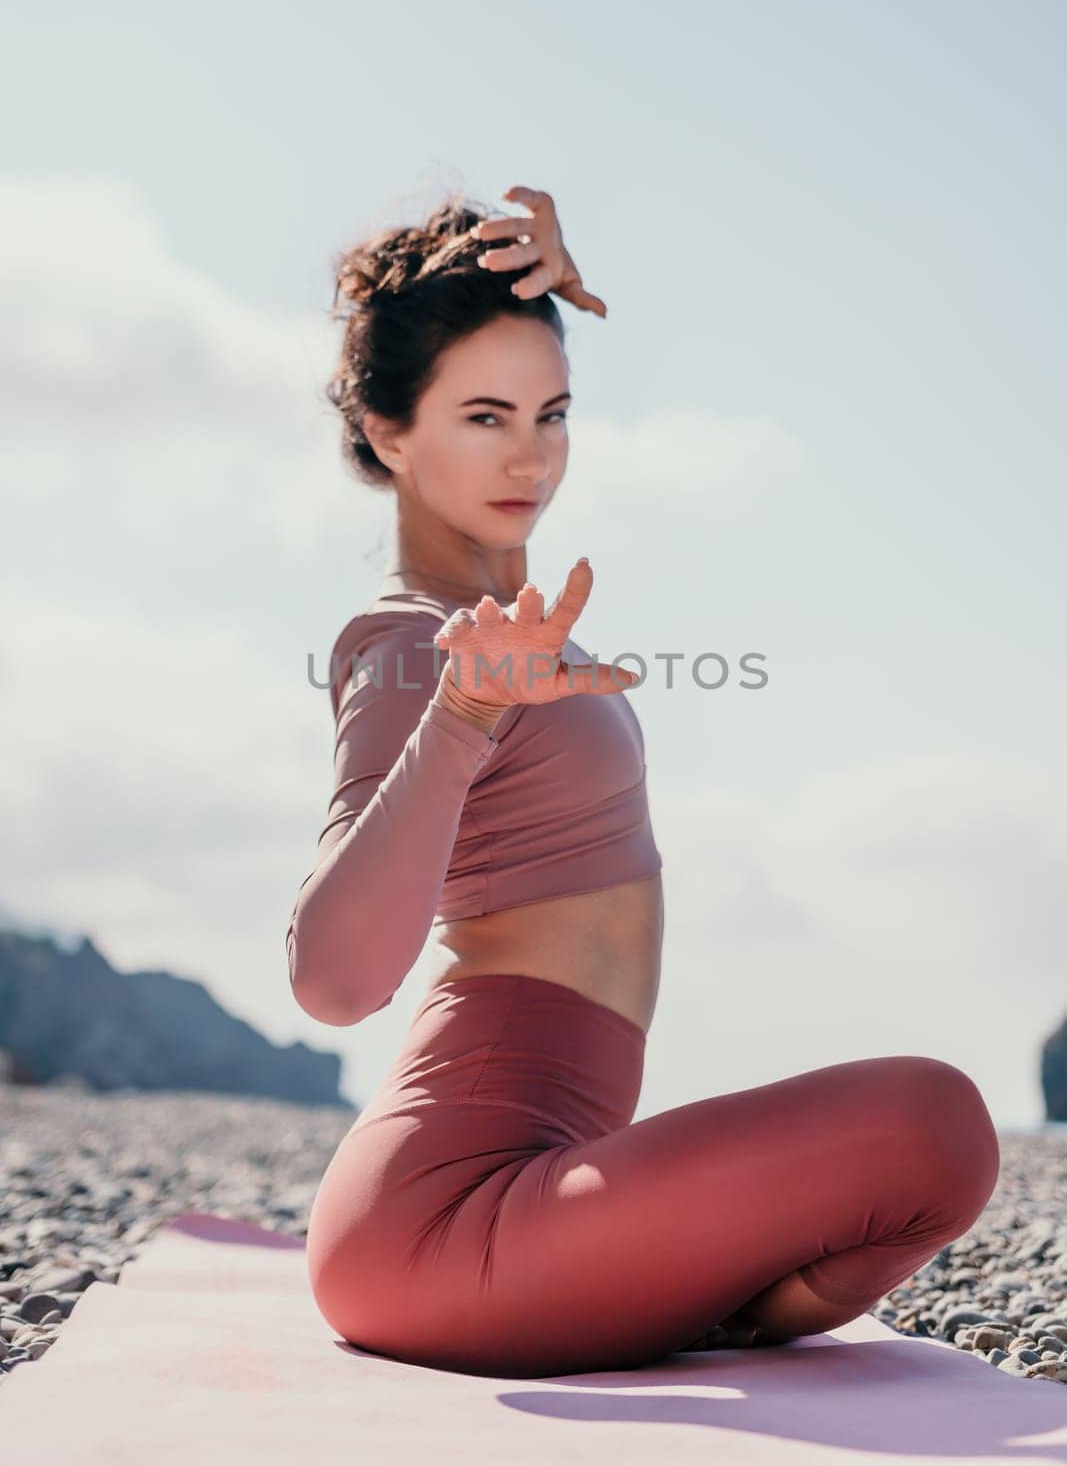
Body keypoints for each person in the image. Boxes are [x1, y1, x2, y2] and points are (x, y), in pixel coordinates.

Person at [289, 185, 1000, 1379]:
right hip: (439, 1223)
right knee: (928, 1120)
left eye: (551, 411)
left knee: (932, 1136)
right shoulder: (415, 642)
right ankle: (688, 1310)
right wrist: (463, 714)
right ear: (385, 431)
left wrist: (499, 272)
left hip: (546, 1172)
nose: (530, 453)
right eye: (481, 414)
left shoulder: (496, 625)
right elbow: (332, 980)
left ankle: (683, 1306)